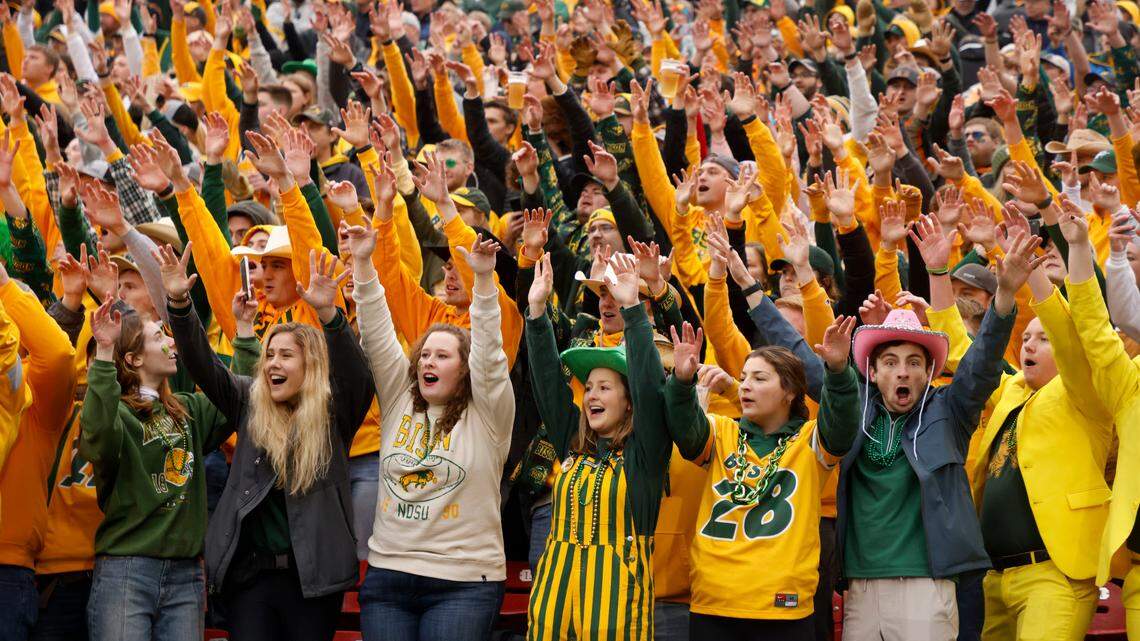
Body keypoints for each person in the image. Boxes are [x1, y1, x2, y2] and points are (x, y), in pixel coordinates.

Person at [836, 214, 1039, 641]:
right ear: (872, 372)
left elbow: (982, 363)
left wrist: (1003, 295)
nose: (903, 373)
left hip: (928, 581)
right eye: (890, 363)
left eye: (914, 363)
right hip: (860, 582)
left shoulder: (950, 410)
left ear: (931, 372)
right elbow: (808, 360)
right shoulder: (855, 413)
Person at [160, 244, 376, 641]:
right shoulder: (248, 399)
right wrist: (178, 301)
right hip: (251, 579)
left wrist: (329, 315)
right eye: (270, 355)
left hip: (313, 582)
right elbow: (202, 364)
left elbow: (358, 377)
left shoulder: (334, 414)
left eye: (286, 356)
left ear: (309, 366)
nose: (273, 363)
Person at [348, 217, 515, 641]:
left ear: (465, 370)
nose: (427, 362)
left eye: (441, 356)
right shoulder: (400, 399)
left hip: (462, 582)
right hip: (388, 575)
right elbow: (377, 332)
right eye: (424, 355)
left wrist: (482, 282)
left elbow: (491, 354)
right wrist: (363, 263)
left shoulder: (489, 413)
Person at [662, 314, 860, 640]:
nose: (745, 386)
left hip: (783, 606)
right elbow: (686, 429)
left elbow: (842, 424)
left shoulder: (811, 442)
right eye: (743, 378)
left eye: (760, 378)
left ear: (791, 393)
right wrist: (682, 383)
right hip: (714, 603)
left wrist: (838, 372)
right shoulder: (721, 431)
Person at [524, 252, 672, 640]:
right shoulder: (574, 445)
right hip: (552, 614)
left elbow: (650, 387)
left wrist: (634, 311)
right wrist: (537, 313)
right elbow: (548, 388)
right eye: (588, 387)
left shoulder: (645, 454)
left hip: (617, 615)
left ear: (628, 401)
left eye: (604, 387)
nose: (591, 395)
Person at [79, 298, 230, 641]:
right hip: (126, 570)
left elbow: (237, 396)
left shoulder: (189, 410)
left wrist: (246, 332)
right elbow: (98, 432)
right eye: (159, 336)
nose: (171, 342)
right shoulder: (117, 413)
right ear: (133, 358)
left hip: (186, 573)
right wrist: (104, 351)